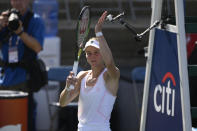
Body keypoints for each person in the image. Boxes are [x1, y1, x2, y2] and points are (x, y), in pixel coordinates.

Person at [59, 11, 120, 131]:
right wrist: (67, 88)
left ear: (103, 54)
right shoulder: (82, 76)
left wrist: (98, 32)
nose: (92, 57)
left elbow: (109, 63)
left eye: (96, 53)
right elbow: (63, 103)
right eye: (89, 53)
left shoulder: (111, 75)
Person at [0, 0, 45, 130]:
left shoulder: (35, 20)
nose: (18, 2)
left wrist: (20, 32)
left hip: (24, 79)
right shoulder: (5, 19)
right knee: (4, 120)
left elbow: (37, 47)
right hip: (4, 78)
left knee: (24, 120)